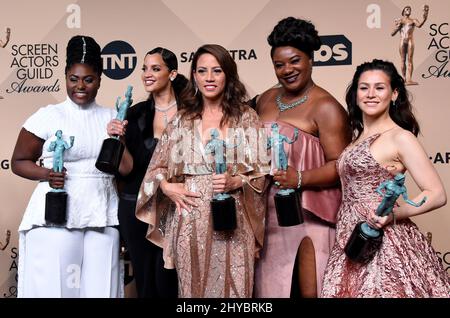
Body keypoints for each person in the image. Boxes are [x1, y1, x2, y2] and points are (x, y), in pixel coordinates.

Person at [135, 44, 269, 298]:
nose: (209, 78)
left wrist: (236, 181)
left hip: (234, 222)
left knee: (236, 291)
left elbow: (263, 172)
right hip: (189, 221)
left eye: (216, 71)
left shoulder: (246, 117)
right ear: (194, 75)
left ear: (228, 75)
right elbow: (156, 169)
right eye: (202, 71)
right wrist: (166, 186)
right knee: (192, 292)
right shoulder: (181, 120)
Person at [11, 35, 132, 298]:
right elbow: (18, 162)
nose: (80, 86)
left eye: (88, 80)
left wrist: (119, 137)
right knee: (56, 290)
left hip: (103, 213)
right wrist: (47, 174)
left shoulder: (112, 117)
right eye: (73, 79)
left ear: (100, 79)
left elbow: (125, 171)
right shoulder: (48, 115)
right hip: (56, 213)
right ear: (65, 76)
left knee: (102, 290)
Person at [321, 59, 449, 297]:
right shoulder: (356, 139)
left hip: (386, 242)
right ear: (356, 93)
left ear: (394, 94)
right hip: (352, 240)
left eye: (379, 88)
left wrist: (394, 215)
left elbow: (437, 194)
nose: (370, 94)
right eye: (364, 87)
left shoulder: (400, 138)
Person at [253, 17, 351, 298]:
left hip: (310, 214)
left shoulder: (326, 106)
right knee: (269, 292)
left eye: (295, 61)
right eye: (279, 64)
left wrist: (300, 178)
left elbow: (340, 165)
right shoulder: (266, 99)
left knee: (312, 291)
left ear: (310, 59)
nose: (287, 70)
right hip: (267, 214)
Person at [108, 47, 186, 298]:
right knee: (144, 282)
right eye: (144, 68)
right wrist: (118, 141)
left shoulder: (192, 112)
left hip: (176, 207)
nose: (147, 74)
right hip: (135, 207)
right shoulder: (135, 113)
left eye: (155, 68)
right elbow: (127, 169)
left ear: (172, 73)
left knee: (170, 280)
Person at [391, 5, 429, 85]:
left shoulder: (413, 20)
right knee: (402, 60)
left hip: (410, 41)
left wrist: (425, 17)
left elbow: (419, 25)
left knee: (410, 60)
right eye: (407, 9)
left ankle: (410, 79)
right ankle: (404, 78)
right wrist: (397, 27)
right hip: (402, 41)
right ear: (404, 11)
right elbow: (392, 34)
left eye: (410, 9)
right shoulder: (400, 20)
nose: (409, 10)